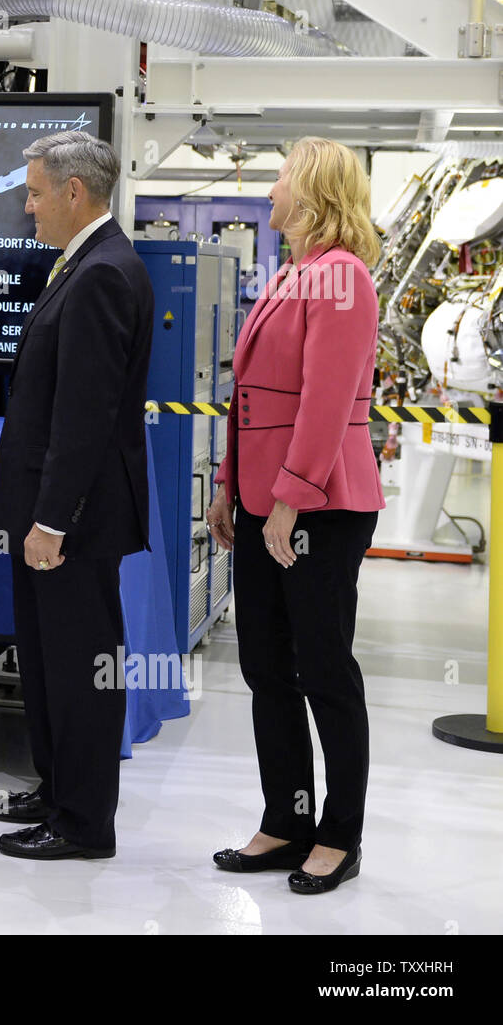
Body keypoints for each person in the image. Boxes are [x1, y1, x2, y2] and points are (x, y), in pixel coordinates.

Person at [207, 136, 384, 895]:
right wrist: (227, 485)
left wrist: (288, 500)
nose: (270, 189)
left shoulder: (343, 279)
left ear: (310, 190)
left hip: (319, 503)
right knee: (266, 667)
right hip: (261, 499)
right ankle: (287, 819)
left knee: (323, 669)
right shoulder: (293, 274)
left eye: (280, 176)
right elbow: (251, 398)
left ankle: (340, 836)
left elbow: (325, 401)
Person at [0, 130, 154, 861]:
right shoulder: (84, 262)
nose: (27, 207)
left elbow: (83, 417)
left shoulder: (102, 273)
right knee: (50, 658)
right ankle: (57, 787)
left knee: (83, 666)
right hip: (54, 511)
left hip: (76, 519)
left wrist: (52, 519)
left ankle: (84, 821)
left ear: (73, 192)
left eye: (33, 193)